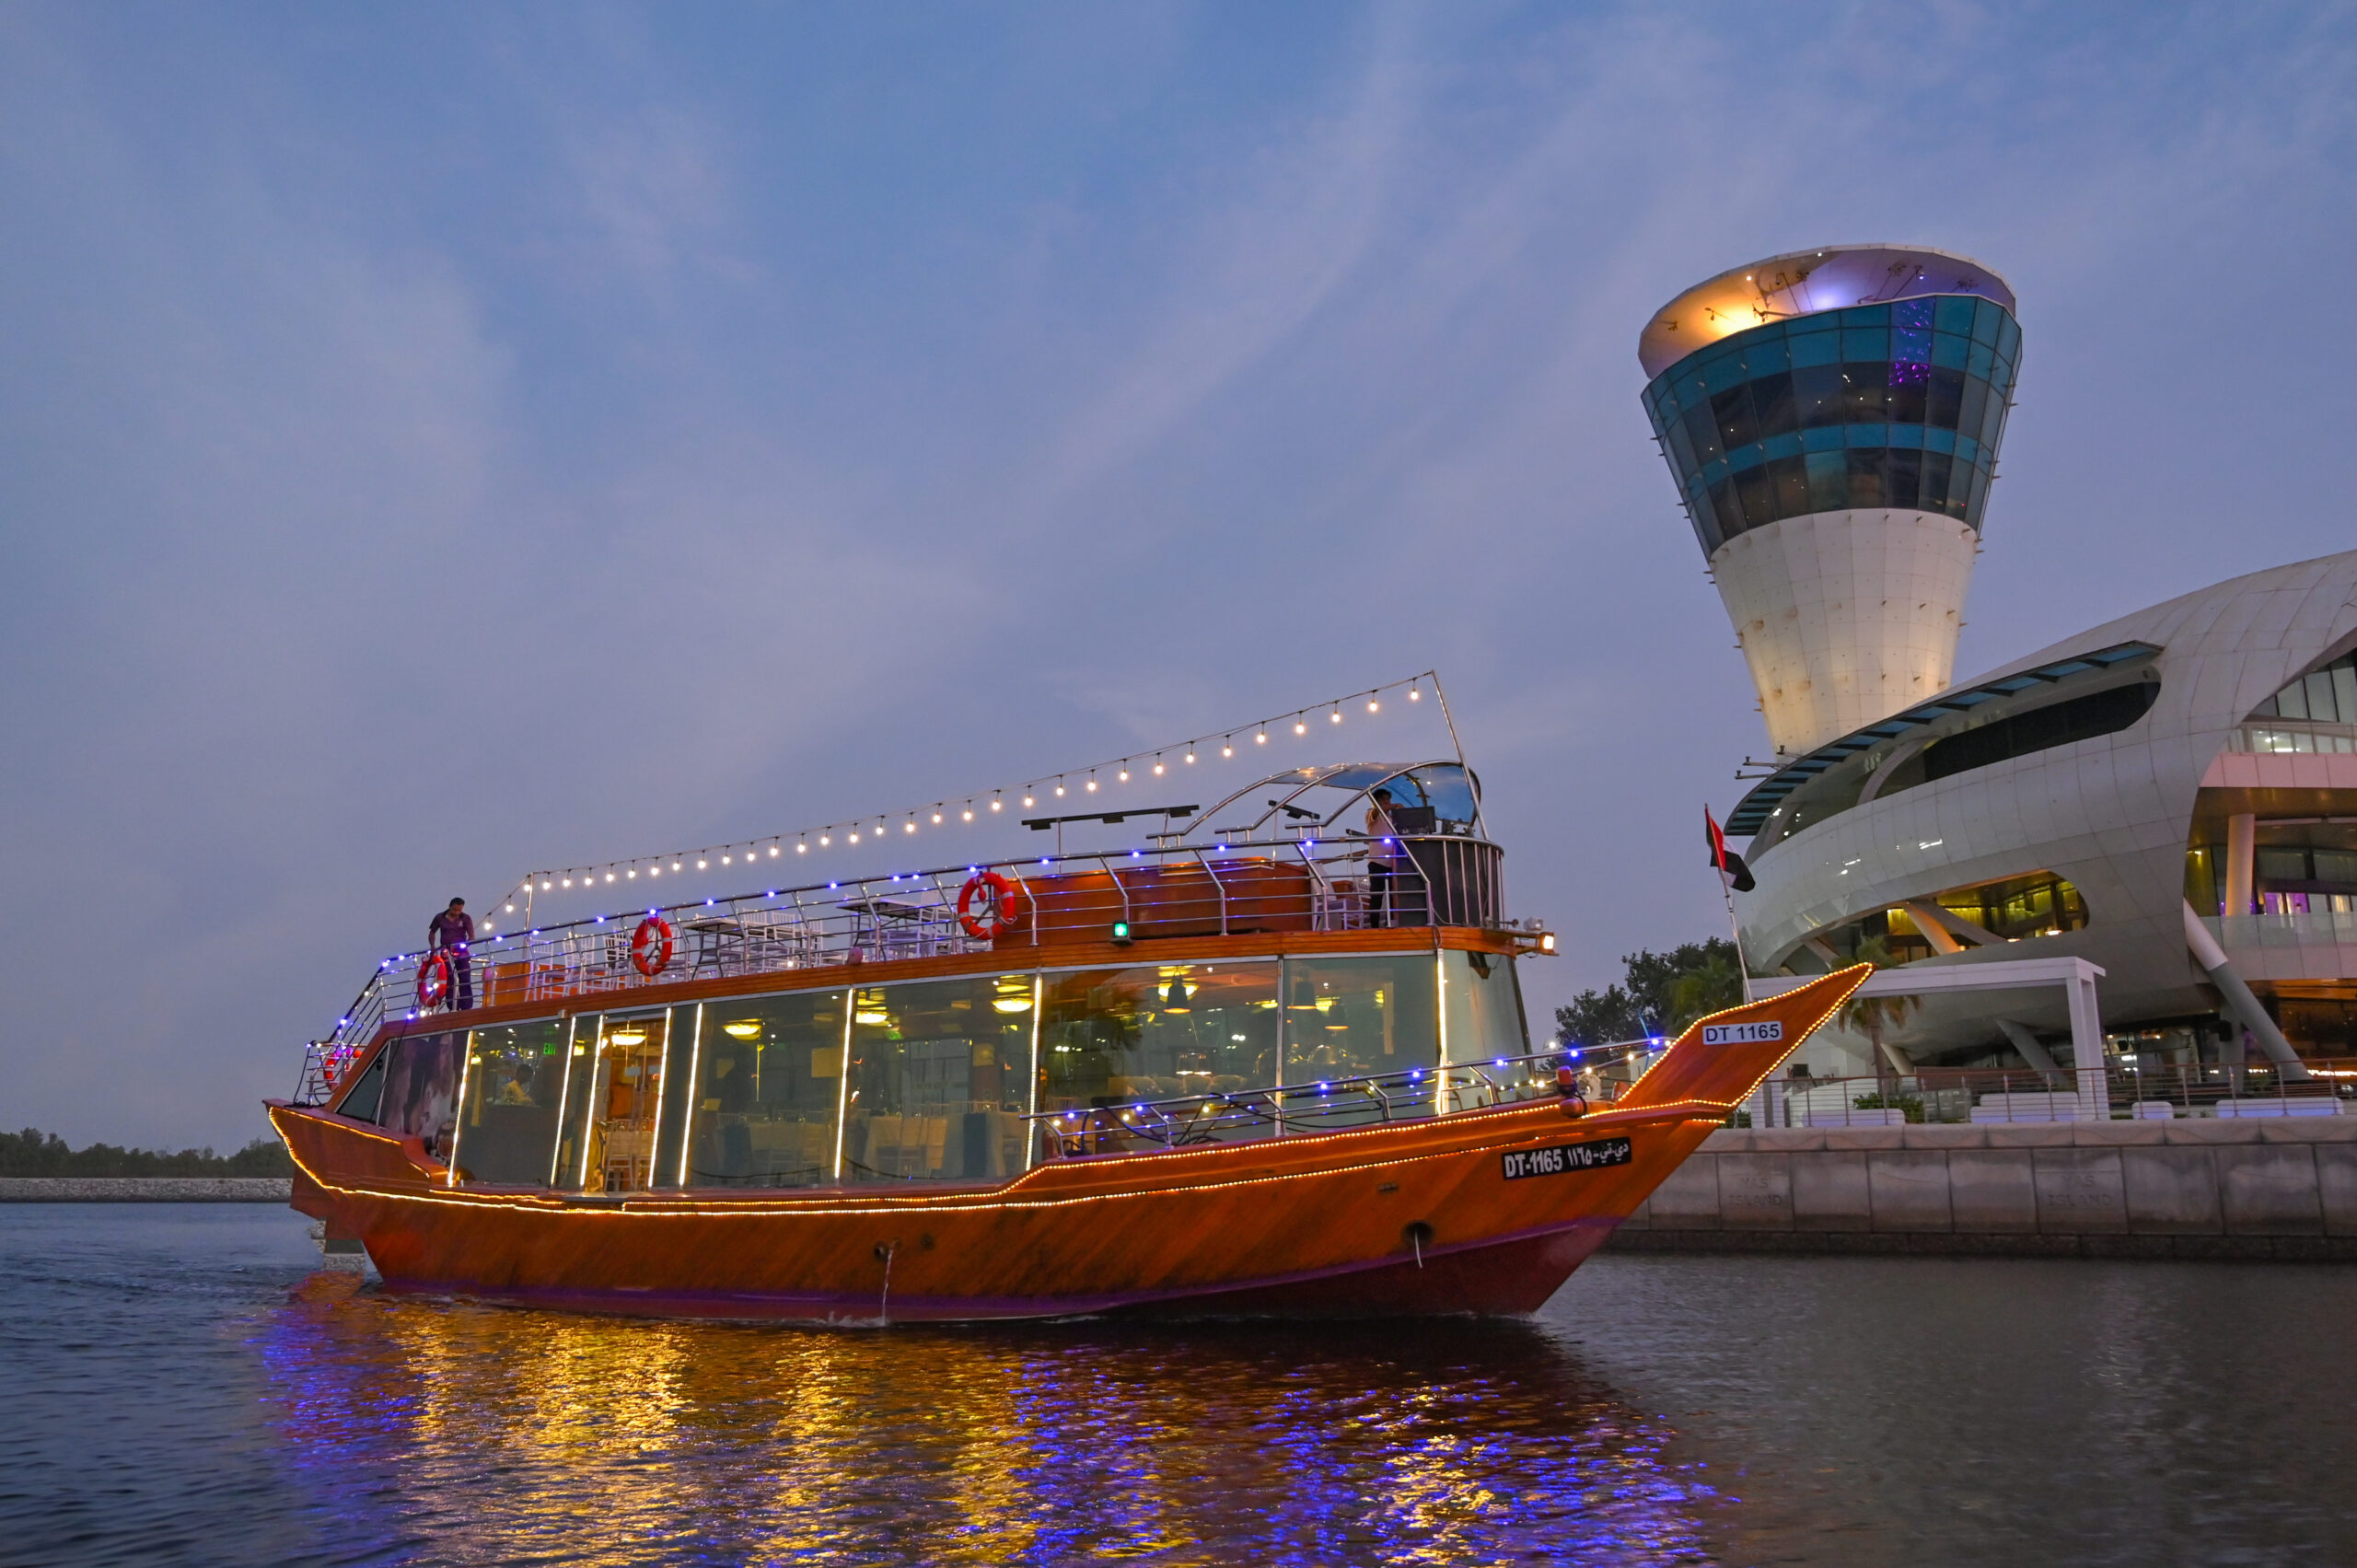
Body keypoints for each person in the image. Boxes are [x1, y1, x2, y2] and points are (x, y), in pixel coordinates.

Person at [428, 897, 476, 1011]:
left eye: (459, 910)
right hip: (446, 953)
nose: (457, 912)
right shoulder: (440, 917)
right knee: (449, 979)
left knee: (464, 978)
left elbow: (472, 937)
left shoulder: (465, 918)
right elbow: (432, 932)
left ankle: (466, 1006)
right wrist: (432, 947)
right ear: (450, 906)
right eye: (454, 910)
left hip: (461, 953)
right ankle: (452, 1004)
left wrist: (464, 945)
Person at [1364, 788, 1399, 928]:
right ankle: (1374, 926)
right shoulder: (1371, 814)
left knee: (1392, 895)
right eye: (1383, 799)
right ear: (1376, 801)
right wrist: (1395, 806)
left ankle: (1391, 923)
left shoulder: (1392, 819)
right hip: (1377, 861)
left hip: (1392, 862)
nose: (1387, 801)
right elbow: (1378, 811)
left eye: (1388, 799)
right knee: (1376, 895)